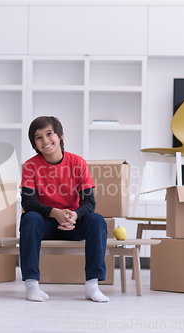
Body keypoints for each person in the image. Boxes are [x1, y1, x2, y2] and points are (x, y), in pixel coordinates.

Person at [19, 115, 109, 302]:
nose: (45, 140)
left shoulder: (78, 163)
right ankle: (31, 285)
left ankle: (92, 286)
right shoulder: (30, 166)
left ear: (60, 136)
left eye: (49, 134)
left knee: (97, 220)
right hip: (44, 224)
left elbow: (89, 203)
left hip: (72, 223)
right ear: (35, 144)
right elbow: (27, 203)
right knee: (29, 218)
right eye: (38, 137)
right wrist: (54, 213)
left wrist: (74, 215)